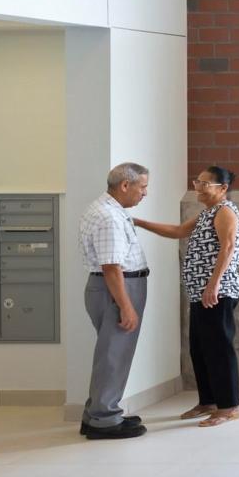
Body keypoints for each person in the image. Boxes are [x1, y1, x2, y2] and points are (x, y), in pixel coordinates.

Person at [135, 167, 239, 426]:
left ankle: (229, 406)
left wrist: (213, 285)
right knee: (199, 348)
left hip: (217, 292)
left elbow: (227, 248)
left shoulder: (225, 211)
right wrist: (139, 223)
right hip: (200, 292)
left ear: (222, 188)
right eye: (197, 181)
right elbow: (176, 231)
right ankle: (208, 401)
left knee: (218, 348)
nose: (198, 186)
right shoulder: (207, 213)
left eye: (205, 183)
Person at [78, 163, 153, 440]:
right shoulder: (109, 217)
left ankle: (98, 412)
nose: (145, 193)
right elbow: (111, 267)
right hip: (116, 288)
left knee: (110, 353)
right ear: (125, 185)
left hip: (112, 287)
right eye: (142, 187)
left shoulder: (108, 209)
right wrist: (126, 305)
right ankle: (104, 419)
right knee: (113, 355)